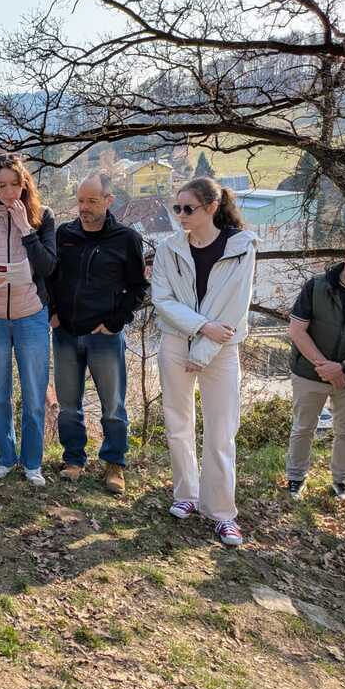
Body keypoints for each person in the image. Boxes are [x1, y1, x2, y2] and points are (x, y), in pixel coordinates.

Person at [151, 176, 258, 547]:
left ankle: (222, 512)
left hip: (221, 348)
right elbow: (162, 300)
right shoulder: (168, 248)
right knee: (177, 421)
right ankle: (186, 494)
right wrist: (200, 328)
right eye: (177, 208)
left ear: (211, 207)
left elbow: (235, 306)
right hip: (177, 342)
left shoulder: (242, 247)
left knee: (221, 430)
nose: (180, 215)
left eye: (188, 208)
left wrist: (204, 348)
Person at [49, 173, 148, 494]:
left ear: (108, 201)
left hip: (104, 336)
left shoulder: (126, 239)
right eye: (80, 200)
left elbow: (138, 287)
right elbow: (51, 278)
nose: (84, 207)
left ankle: (114, 465)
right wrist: (52, 312)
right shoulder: (64, 234)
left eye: (92, 201)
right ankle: (73, 459)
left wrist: (116, 322)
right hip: (65, 333)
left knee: (113, 405)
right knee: (68, 404)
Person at [0, 153, 56, 485]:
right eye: (1, 186)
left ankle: (32, 463)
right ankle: (6, 456)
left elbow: (48, 267)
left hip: (31, 316)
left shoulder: (43, 218)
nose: (8, 192)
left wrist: (25, 229)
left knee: (34, 396)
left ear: (24, 184)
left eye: (14, 185)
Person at [283, 249, 345, 503]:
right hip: (309, 373)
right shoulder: (316, 285)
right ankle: (295, 478)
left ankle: (341, 483)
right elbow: (297, 331)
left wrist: (343, 367)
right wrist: (326, 367)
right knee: (303, 427)